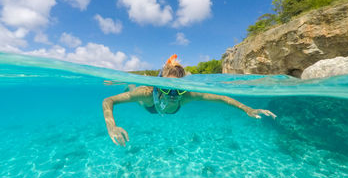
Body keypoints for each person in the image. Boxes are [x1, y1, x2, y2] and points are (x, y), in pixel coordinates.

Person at [102, 54, 276, 146]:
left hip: (159, 106)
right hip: (150, 105)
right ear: (158, 86)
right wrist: (112, 126)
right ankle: (127, 83)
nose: (172, 95)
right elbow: (108, 101)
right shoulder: (147, 93)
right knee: (133, 89)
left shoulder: (186, 96)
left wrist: (247, 109)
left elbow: (222, 97)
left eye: (177, 89)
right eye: (166, 88)